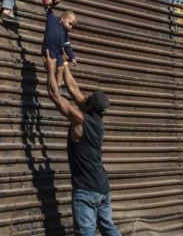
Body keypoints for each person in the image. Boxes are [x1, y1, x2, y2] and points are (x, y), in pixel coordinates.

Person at [45, 57, 122, 236]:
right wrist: (63, 65)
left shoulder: (79, 120)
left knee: (86, 233)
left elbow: (54, 95)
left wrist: (50, 67)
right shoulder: (97, 120)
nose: (85, 95)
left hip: (87, 191)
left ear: (89, 105)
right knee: (109, 229)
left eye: (89, 97)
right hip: (103, 189)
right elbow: (74, 89)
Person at [43, 8, 78, 86]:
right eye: (70, 24)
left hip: (58, 53)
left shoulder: (65, 34)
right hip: (49, 50)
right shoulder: (53, 21)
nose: (71, 27)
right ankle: (53, 84)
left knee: (61, 68)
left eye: (72, 26)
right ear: (63, 18)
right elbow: (49, 10)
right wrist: (51, 2)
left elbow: (67, 46)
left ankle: (58, 85)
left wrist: (72, 57)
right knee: (51, 67)